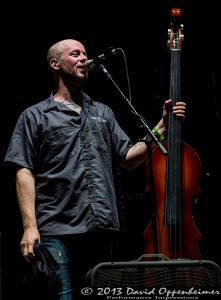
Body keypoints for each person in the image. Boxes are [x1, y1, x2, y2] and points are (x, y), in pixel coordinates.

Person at [4, 38, 186, 299]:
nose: (83, 59)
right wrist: (29, 227)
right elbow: (23, 171)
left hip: (100, 228)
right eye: (75, 54)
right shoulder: (35, 116)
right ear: (55, 64)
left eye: (84, 54)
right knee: (64, 296)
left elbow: (129, 158)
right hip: (56, 229)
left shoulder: (103, 112)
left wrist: (162, 127)